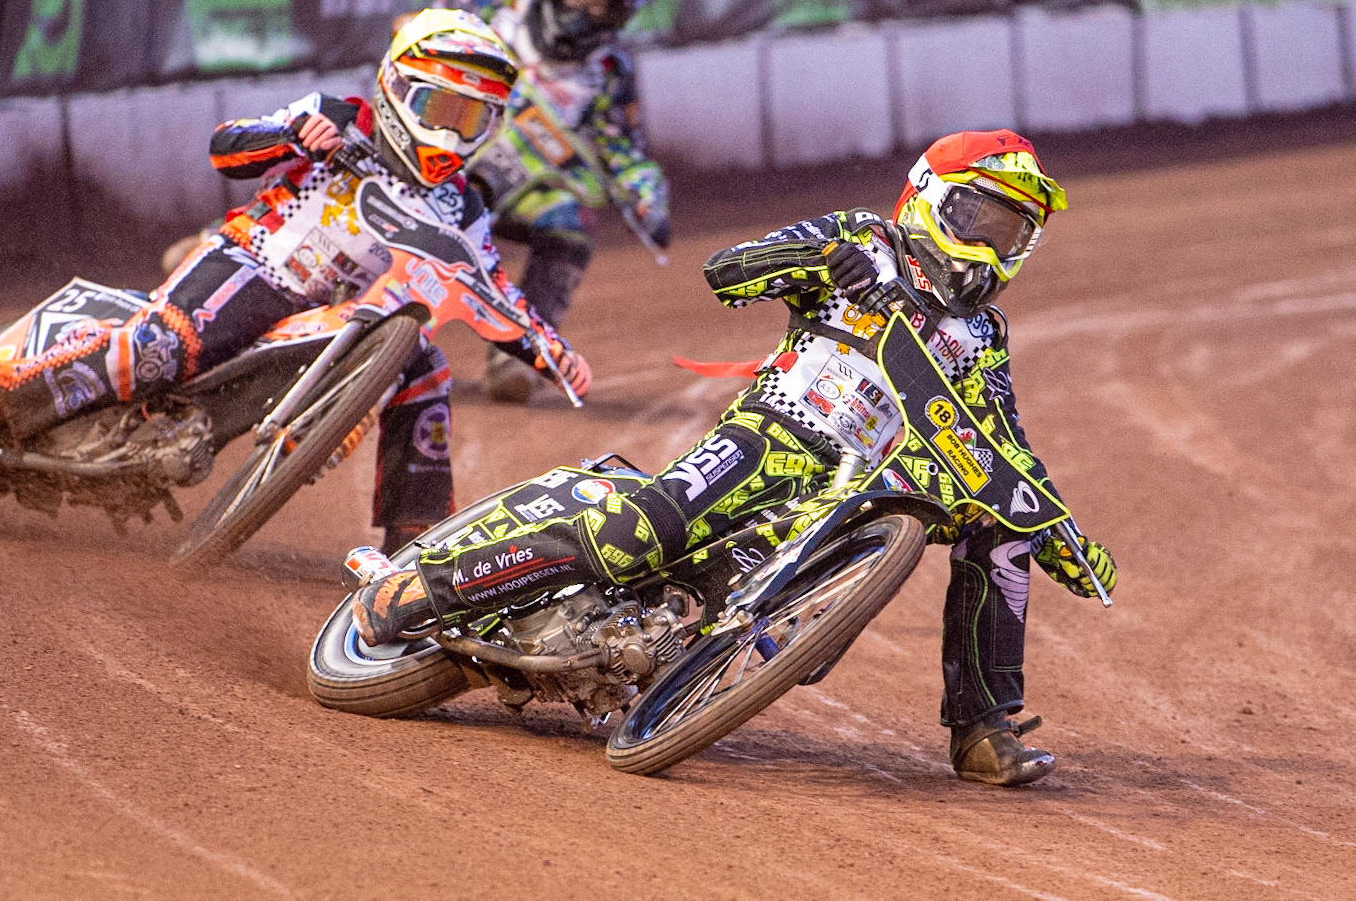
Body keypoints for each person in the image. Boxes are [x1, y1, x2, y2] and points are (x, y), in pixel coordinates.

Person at [353, 129, 1116, 786]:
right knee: (639, 535)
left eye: (1011, 233)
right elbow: (728, 269)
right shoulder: (865, 240)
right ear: (930, 199)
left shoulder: (982, 337)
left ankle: (984, 728)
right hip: (773, 436)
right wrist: (822, 258)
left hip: (865, 484)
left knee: (999, 525)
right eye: (981, 218)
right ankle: (422, 590)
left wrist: (1058, 528)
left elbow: (1003, 440)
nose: (991, 245)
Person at [0, 9, 591, 553]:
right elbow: (227, 145)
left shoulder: (463, 207)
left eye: (470, 119)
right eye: (439, 108)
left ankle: (413, 547)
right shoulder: (344, 119)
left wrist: (549, 349)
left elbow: (491, 287)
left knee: (427, 370)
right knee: (163, 348)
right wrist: (292, 134)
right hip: (253, 265)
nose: (450, 132)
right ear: (397, 87)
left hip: (336, 318)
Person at [433, 0, 670, 402]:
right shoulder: (500, 2)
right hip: (435, 153)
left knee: (571, 222)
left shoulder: (609, 72)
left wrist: (647, 195)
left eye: (599, 3)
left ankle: (518, 353)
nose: (581, 10)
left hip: (513, 187)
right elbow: (422, 34)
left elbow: (621, 149)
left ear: (621, 12)